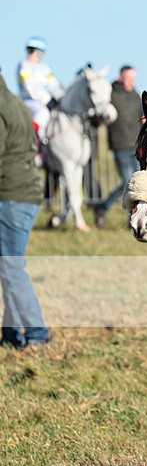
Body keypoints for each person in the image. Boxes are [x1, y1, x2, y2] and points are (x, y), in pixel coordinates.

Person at [0, 68, 50, 350]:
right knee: (8, 265)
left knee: (11, 268)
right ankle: (10, 334)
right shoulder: (13, 101)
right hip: (22, 195)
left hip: (11, 196)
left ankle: (37, 334)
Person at [93, 65, 141, 229]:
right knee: (128, 183)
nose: (131, 82)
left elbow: (141, 118)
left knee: (138, 184)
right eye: (128, 78)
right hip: (120, 144)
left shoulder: (136, 96)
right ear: (120, 77)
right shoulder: (111, 94)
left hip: (136, 145)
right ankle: (102, 208)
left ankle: (133, 219)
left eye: (133, 78)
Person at [17, 37, 64, 137]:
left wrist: (61, 97)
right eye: (31, 51)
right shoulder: (24, 66)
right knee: (43, 113)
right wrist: (47, 100)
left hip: (46, 101)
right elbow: (30, 88)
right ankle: (31, 139)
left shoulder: (44, 67)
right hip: (29, 101)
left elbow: (54, 84)